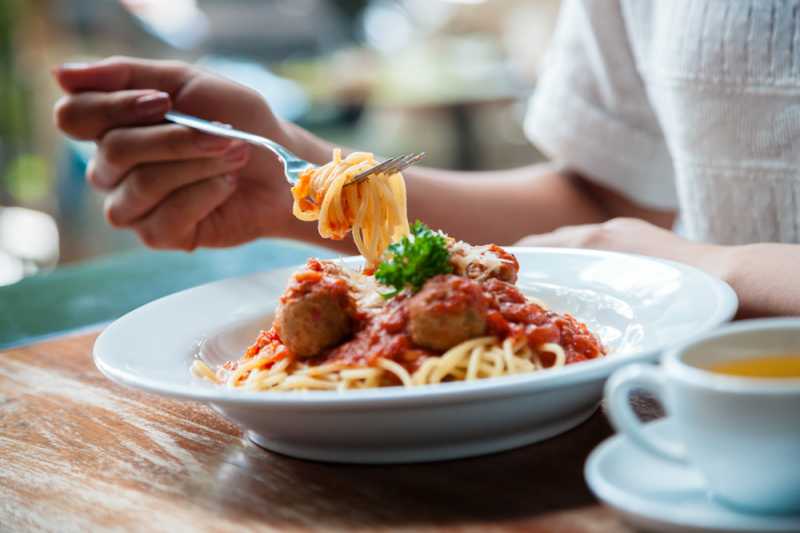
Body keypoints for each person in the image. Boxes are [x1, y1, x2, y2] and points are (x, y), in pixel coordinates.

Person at [52, 0, 800, 318]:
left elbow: (639, 245)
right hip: (688, 433)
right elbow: (609, 204)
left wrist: (705, 269)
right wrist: (303, 181)